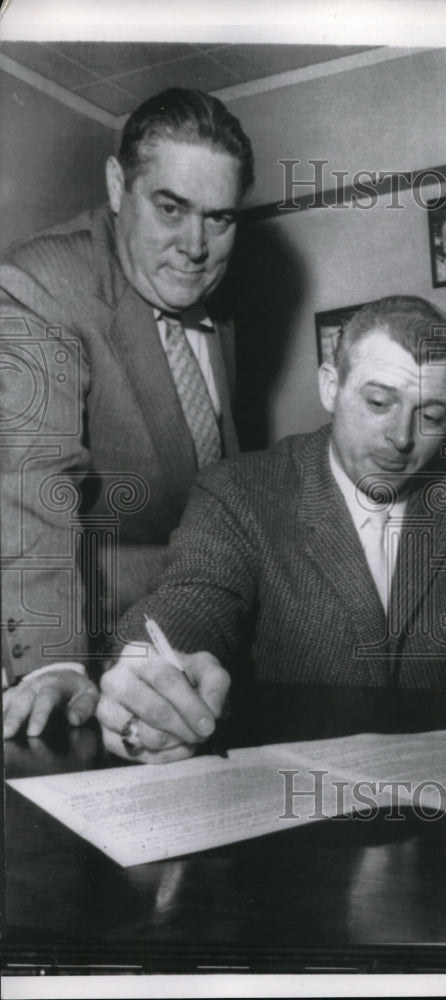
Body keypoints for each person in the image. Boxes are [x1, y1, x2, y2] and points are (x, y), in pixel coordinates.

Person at [96, 295, 446, 764]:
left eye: (430, 414)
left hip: (444, 810)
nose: (401, 438)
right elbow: (191, 600)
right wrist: (155, 672)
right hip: (294, 807)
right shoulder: (239, 490)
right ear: (330, 386)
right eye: (378, 402)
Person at [1, 88, 254, 739]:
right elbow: (33, 479)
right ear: (119, 185)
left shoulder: (220, 307)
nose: (195, 246)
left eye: (219, 219)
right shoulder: (43, 284)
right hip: (78, 648)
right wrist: (52, 663)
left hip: (185, 638)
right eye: (171, 208)